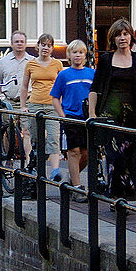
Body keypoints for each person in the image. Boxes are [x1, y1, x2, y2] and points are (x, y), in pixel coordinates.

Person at [87, 18, 136, 199]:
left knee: (129, 157)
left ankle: (127, 196)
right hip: (110, 114)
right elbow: (95, 87)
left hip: (131, 115)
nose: (122, 38)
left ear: (131, 37)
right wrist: (92, 114)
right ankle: (116, 197)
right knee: (115, 156)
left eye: (125, 34)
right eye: (118, 35)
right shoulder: (106, 59)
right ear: (113, 39)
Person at [50, 40, 94, 187]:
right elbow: (55, 97)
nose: (78, 55)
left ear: (85, 56)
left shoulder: (91, 73)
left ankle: (71, 175)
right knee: (73, 150)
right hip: (71, 116)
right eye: (74, 52)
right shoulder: (64, 75)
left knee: (87, 153)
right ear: (69, 55)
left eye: (81, 52)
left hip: (87, 117)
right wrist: (63, 115)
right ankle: (76, 186)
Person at [19, 33, 63, 180]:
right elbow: (25, 87)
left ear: (52, 48)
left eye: (49, 45)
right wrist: (23, 106)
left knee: (53, 137)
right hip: (35, 103)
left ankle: (55, 170)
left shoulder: (57, 64)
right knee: (35, 139)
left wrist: (61, 106)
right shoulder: (30, 64)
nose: (45, 47)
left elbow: (61, 86)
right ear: (37, 46)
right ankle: (36, 169)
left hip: (52, 105)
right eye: (43, 44)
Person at [0, 31, 32, 110]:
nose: (19, 44)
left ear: (26, 44)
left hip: (28, 103)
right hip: (8, 104)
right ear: (11, 44)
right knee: (8, 123)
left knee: (27, 123)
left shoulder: (33, 61)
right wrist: (2, 98)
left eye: (22, 42)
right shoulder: (3, 62)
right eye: (16, 42)